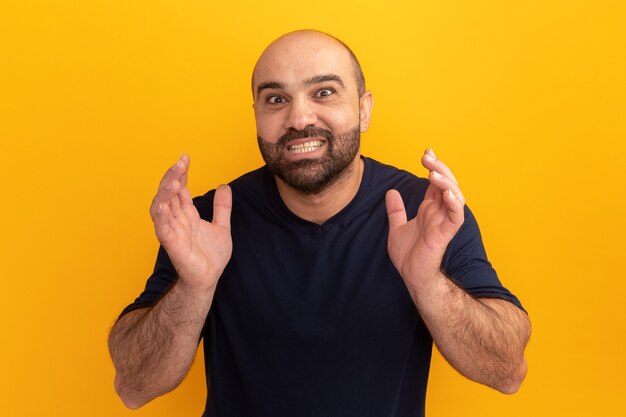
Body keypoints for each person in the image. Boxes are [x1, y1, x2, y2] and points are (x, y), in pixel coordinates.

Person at [108, 30, 531, 417]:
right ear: (255, 112)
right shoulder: (206, 221)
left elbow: (507, 371)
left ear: (364, 110)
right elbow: (134, 386)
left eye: (324, 92)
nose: (299, 118)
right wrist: (194, 287)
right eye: (276, 99)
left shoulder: (427, 212)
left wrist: (427, 283)